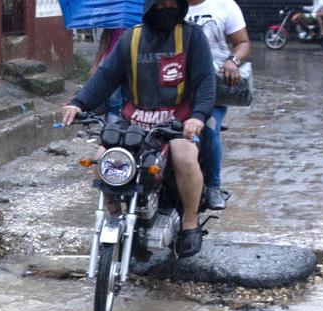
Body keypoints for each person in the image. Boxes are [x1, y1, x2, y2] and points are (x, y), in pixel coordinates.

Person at [57, 0, 216, 258]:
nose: (166, 7)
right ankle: (116, 218)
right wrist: (78, 103)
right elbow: (105, 77)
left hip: (176, 122)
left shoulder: (192, 36)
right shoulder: (131, 38)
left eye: (172, 2)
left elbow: (205, 81)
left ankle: (189, 222)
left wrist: (197, 117)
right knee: (102, 162)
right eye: (160, 3)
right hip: (134, 122)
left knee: (184, 158)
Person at [185, 0, 249, 212]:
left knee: (210, 129)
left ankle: (213, 185)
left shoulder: (224, 5)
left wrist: (233, 61)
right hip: (176, 85)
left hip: (213, 87)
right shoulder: (168, 6)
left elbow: (243, 43)